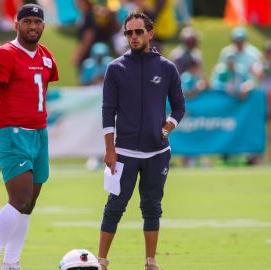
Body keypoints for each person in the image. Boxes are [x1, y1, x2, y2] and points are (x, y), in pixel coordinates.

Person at [0, 4, 58, 270]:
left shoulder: (46, 56)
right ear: (16, 25)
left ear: (43, 26)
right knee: (18, 199)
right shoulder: (4, 54)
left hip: (39, 134)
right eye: (27, 21)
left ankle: (12, 263)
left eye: (37, 22)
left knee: (28, 205)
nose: (33, 26)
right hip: (12, 132)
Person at [98, 12, 185, 270]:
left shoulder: (167, 68)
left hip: (157, 153)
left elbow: (179, 106)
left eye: (138, 32)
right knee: (114, 206)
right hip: (123, 152)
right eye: (128, 33)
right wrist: (109, 148)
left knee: (151, 206)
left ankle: (150, 261)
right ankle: (101, 261)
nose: (133, 37)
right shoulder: (115, 68)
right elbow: (107, 110)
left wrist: (169, 126)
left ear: (150, 33)